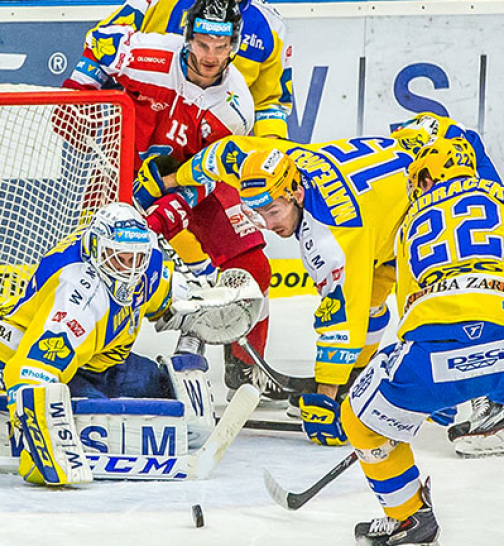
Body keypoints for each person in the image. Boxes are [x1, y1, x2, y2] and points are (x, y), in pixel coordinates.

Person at [150, 113, 499, 445]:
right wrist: (170, 180)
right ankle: (360, 380)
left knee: (448, 292)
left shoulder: (330, 237)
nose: (268, 225)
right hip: (407, 168)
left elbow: (341, 321)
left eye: (273, 212)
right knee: (373, 296)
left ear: (297, 194)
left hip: (440, 171)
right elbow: (224, 153)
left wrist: (325, 399)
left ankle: (490, 395)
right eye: (258, 213)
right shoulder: (269, 163)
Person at [61, 0, 277, 399]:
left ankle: (244, 369)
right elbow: (99, 42)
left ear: (233, 45)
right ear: (188, 36)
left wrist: (162, 213)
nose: (210, 56)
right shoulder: (146, 53)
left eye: (221, 45)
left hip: (187, 176)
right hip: (120, 168)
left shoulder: (236, 108)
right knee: (88, 265)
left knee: (253, 266)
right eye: (202, 43)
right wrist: (79, 98)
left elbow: (207, 176)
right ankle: (73, 358)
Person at [0, 202, 263, 485]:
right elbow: (33, 372)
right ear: (96, 250)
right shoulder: (78, 294)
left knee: (165, 390)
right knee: (100, 417)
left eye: (137, 259)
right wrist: (40, 439)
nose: (130, 269)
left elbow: (169, 301)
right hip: (20, 357)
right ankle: (7, 420)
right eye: (120, 258)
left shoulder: (146, 261)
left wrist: (207, 304)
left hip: (95, 358)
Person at [340, 138, 504, 545]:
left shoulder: (413, 218)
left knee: (359, 421)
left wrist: (438, 396)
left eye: (417, 180)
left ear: (429, 177)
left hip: (436, 350)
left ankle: (408, 517)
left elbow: (411, 312)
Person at [64, 0, 293, 139]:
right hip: (134, 136)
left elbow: (269, 104)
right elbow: (105, 41)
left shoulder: (271, 27)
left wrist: (268, 154)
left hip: (205, 149)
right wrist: (80, 94)